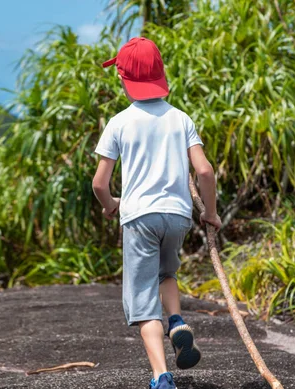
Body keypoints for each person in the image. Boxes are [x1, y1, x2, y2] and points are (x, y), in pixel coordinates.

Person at [92, 37, 222, 389]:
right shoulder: (181, 119)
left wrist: (110, 205)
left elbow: (100, 183)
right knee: (167, 274)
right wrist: (209, 213)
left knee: (142, 303)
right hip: (177, 216)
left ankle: (161, 377)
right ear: (160, 74)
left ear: (123, 78)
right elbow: (205, 172)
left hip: (139, 217)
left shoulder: (119, 123)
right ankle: (177, 321)